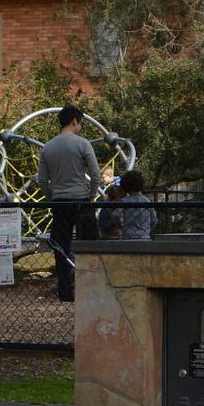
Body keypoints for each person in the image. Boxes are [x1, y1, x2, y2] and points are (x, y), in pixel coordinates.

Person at [35, 104, 101, 301]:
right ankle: (91, 288)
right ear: (75, 121)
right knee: (89, 244)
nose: (81, 127)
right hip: (80, 200)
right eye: (80, 123)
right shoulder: (82, 144)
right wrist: (91, 195)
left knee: (61, 246)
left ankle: (64, 291)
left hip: (60, 202)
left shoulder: (48, 147)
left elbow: (41, 180)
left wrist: (51, 196)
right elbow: (95, 174)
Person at [116, 169, 156, 240]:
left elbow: (116, 215)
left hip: (128, 236)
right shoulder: (147, 201)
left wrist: (120, 226)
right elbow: (154, 219)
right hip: (144, 236)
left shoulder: (124, 201)